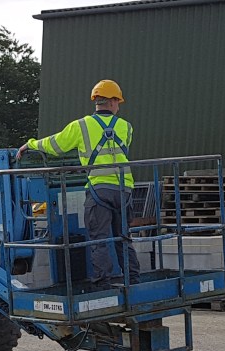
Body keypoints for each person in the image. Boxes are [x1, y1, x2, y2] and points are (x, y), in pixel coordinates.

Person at [16, 79, 139, 288]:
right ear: (111, 102)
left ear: (97, 101)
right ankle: (134, 280)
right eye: (118, 101)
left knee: (98, 240)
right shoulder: (126, 127)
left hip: (99, 190)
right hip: (124, 190)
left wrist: (30, 144)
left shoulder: (80, 126)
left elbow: (55, 145)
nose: (118, 105)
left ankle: (103, 285)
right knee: (123, 238)